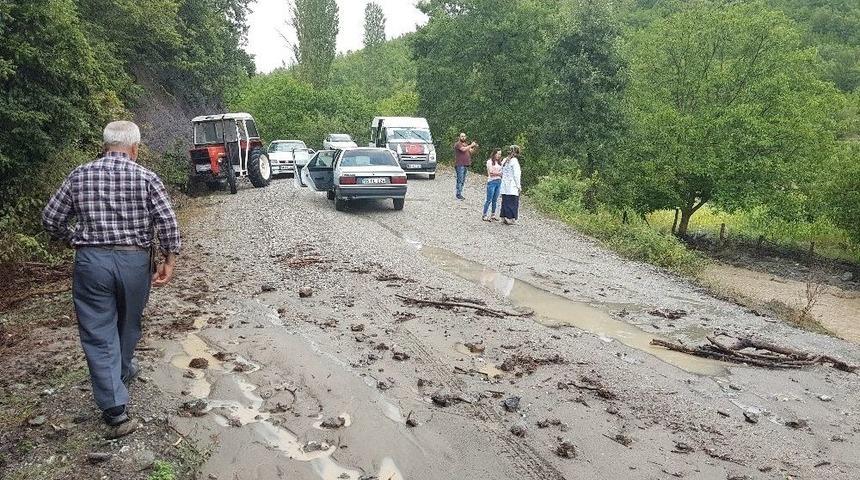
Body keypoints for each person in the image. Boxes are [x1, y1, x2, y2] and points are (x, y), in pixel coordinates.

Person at [42, 121, 181, 436]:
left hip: (92, 263)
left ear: (104, 146)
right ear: (134, 148)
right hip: (134, 261)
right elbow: (167, 221)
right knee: (129, 323)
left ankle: (116, 406)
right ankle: (118, 379)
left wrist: (75, 237)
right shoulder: (146, 177)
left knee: (98, 330)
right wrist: (169, 260)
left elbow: (51, 218)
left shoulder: (79, 175)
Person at [499, 145, 522, 225]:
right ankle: (510, 218)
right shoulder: (514, 161)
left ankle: (503, 217)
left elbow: (500, 171)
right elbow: (516, 174)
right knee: (512, 202)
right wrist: (519, 186)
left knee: (505, 201)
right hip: (512, 184)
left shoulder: (505, 160)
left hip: (504, 184)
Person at [453, 132, 478, 200]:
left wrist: (474, 147)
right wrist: (471, 145)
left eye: (464, 136)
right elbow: (463, 149)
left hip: (465, 164)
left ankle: (460, 192)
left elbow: (471, 151)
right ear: (459, 137)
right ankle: (458, 194)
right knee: (460, 179)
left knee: (463, 180)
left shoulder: (466, 144)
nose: (463, 137)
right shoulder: (458, 144)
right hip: (459, 164)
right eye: (462, 136)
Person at [482, 148, 503, 221]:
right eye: (498, 154)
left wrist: (498, 174)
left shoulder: (500, 162)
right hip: (492, 182)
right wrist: (499, 173)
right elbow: (491, 173)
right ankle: (484, 214)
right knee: (489, 199)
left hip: (498, 181)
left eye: (500, 154)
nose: (499, 155)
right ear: (494, 154)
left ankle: (493, 214)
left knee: (495, 199)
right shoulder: (489, 161)